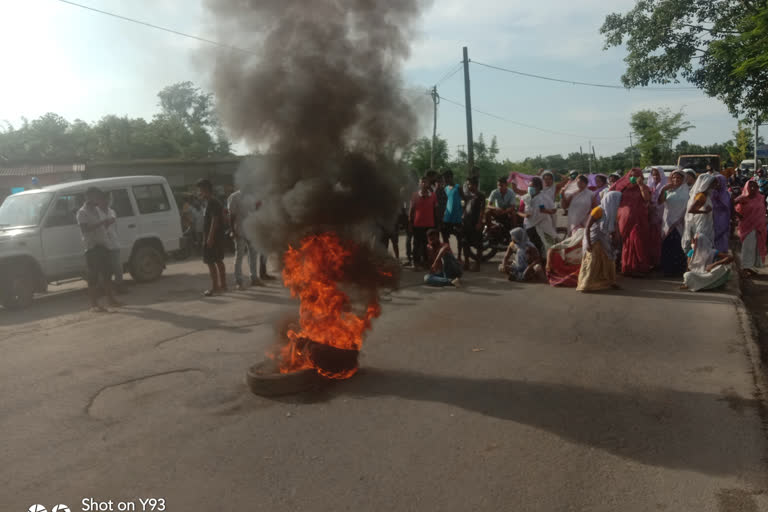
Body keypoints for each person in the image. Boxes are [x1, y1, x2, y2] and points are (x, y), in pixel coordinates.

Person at [76, 187, 121, 312]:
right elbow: (85, 229)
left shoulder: (97, 210)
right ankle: (94, 304)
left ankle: (111, 300)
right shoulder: (82, 212)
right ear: (88, 197)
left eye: (98, 196)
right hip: (92, 248)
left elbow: (103, 226)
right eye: (95, 196)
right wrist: (102, 223)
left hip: (104, 245)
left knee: (107, 275)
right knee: (93, 277)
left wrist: (108, 223)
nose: (97, 199)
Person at [577, 191, 622, 292]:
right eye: (618, 200)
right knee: (592, 261)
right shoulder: (598, 210)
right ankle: (586, 284)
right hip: (593, 238)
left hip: (604, 239)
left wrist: (616, 240)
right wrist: (588, 243)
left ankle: (610, 282)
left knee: (609, 260)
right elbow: (587, 227)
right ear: (612, 200)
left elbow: (615, 227)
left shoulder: (613, 212)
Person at [611, 168, 651, 276]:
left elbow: (647, 199)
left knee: (637, 242)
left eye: (636, 175)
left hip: (639, 220)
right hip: (624, 220)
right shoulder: (624, 189)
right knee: (626, 244)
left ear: (641, 177)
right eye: (631, 175)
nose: (633, 178)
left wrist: (641, 185)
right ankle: (627, 267)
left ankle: (640, 268)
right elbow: (612, 197)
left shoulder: (644, 187)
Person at [227, 188, 264, 290]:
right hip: (240, 231)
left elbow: (257, 211)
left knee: (253, 255)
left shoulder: (253, 196)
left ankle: (254, 278)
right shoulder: (234, 197)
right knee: (239, 256)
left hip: (252, 231)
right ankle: (239, 281)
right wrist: (232, 231)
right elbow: (231, 215)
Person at [197, 179, 228, 296]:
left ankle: (216, 287)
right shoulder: (211, 202)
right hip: (215, 237)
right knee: (218, 260)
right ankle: (223, 286)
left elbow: (215, 220)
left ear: (206, 190)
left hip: (213, 238)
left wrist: (209, 238)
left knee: (211, 262)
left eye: (200, 190)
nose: (199, 193)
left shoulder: (212, 202)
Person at [657, 170, 690, 276]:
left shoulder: (687, 192)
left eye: (678, 178)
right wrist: (663, 190)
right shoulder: (668, 190)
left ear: (683, 179)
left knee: (678, 245)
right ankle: (667, 269)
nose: (676, 180)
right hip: (668, 222)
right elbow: (660, 202)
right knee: (667, 245)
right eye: (674, 178)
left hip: (680, 222)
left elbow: (687, 207)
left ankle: (678, 270)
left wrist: (681, 219)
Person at [517, 176, 557, 258]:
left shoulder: (545, 197)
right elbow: (519, 211)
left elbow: (553, 210)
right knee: (532, 246)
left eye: (532, 186)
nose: (530, 188)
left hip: (543, 225)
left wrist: (545, 211)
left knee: (545, 245)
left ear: (538, 187)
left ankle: (544, 262)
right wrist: (525, 215)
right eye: (529, 186)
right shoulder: (525, 198)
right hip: (529, 226)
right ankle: (534, 263)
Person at [734, 180, 766, 277]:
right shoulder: (743, 198)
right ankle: (744, 268)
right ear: (746, 187)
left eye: (754, 186)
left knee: (756, 247)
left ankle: (749, 267)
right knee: (747, 247)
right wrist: (738, 215)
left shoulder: (761, 198)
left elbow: (763, 209)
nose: (752, 188)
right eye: (750, 186)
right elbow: (731, 205)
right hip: (747, 226)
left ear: (757, 188)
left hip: (759, 227)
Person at [681, 173, 717, 255]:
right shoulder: (701, 196)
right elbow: (691, 210)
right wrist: (705, 212)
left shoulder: (705, 195)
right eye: (713, 183)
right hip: (701, 225)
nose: (715, 185)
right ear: (707, 184)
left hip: (704, 223)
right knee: (701, 246)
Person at [98, 192, 126, 294]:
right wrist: (106, 223)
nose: (107, 202)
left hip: (114, 243)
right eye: (104, 199)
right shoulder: (96, 213)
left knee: (118, 267)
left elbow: (113, 225)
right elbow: (100, 227)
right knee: (104, 269)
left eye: (108, 199)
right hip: (102, 244)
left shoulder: (111, 211)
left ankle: (119, 286)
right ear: (99, 200)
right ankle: (104, 290)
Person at [409, 176, 438, 269]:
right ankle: (416, 263)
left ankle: (426, 262)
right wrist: (410, 222)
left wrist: (437, 223)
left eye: (425, 182)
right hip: (417, 224)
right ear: (419, 184)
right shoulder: (415, 195)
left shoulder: (433, 195)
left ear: (429, 184)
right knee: (416, 244)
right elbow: (411, 210)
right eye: (422, 182)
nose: (423, 184)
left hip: (430, 225)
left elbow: (436, 209)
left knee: (428, 244)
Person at [646, 167, 668, 268]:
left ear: (661, 175)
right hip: (651, 216)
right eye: (653, 174)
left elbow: (664, 201)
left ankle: (660, 262)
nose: (655, 177)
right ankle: (652, 261)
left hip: (661, 214)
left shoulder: (665, 185)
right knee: (651, 239)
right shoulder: (649, 185)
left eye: (657, 174)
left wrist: (654, 206)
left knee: (660, 238)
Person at [462, 176, 485, 272]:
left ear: (475, 185)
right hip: (466, 222)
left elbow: (482, 210)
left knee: (478, 245)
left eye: (469, 184)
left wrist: (479, 222)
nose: (468, 186)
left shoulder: (480, 195)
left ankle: (477, 265)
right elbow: (464, 207)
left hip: (476, 223)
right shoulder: (467, 195)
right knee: (465, 243)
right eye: (467, 184)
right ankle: (466, 263)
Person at [441, 171, 464, 264]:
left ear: (451, 177)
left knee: (459, 238)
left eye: (446, 178)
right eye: (444, 179)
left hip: (457, 218)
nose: (445, 180)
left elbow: (464, 200)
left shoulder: (458, 188)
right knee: (445, 238)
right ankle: (450, 256)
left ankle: (459, 256)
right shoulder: (445, 188)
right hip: (447, 218)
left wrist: (462, 212)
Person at [711, 174, 732, 254]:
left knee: (723, 237)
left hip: (724, 219)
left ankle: (722, 256)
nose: (717, 184)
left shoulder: (728, 194)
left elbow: (731, 207)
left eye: (719, 182)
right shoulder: (711, 193)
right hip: (713, 218)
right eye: (715, 182)